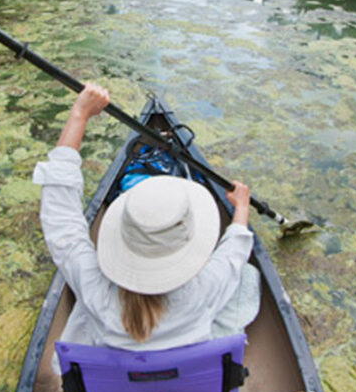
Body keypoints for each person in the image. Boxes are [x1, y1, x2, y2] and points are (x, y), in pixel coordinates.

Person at [32, 83, 260, 368]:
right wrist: (240, 208)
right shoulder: (204, 288)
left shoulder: (94, 288)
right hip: (190, 379)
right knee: (246, 276)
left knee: (81, 313)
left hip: (114, 383)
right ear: (187, 244)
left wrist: (79, 115)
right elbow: (234, 251)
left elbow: (61, 219)